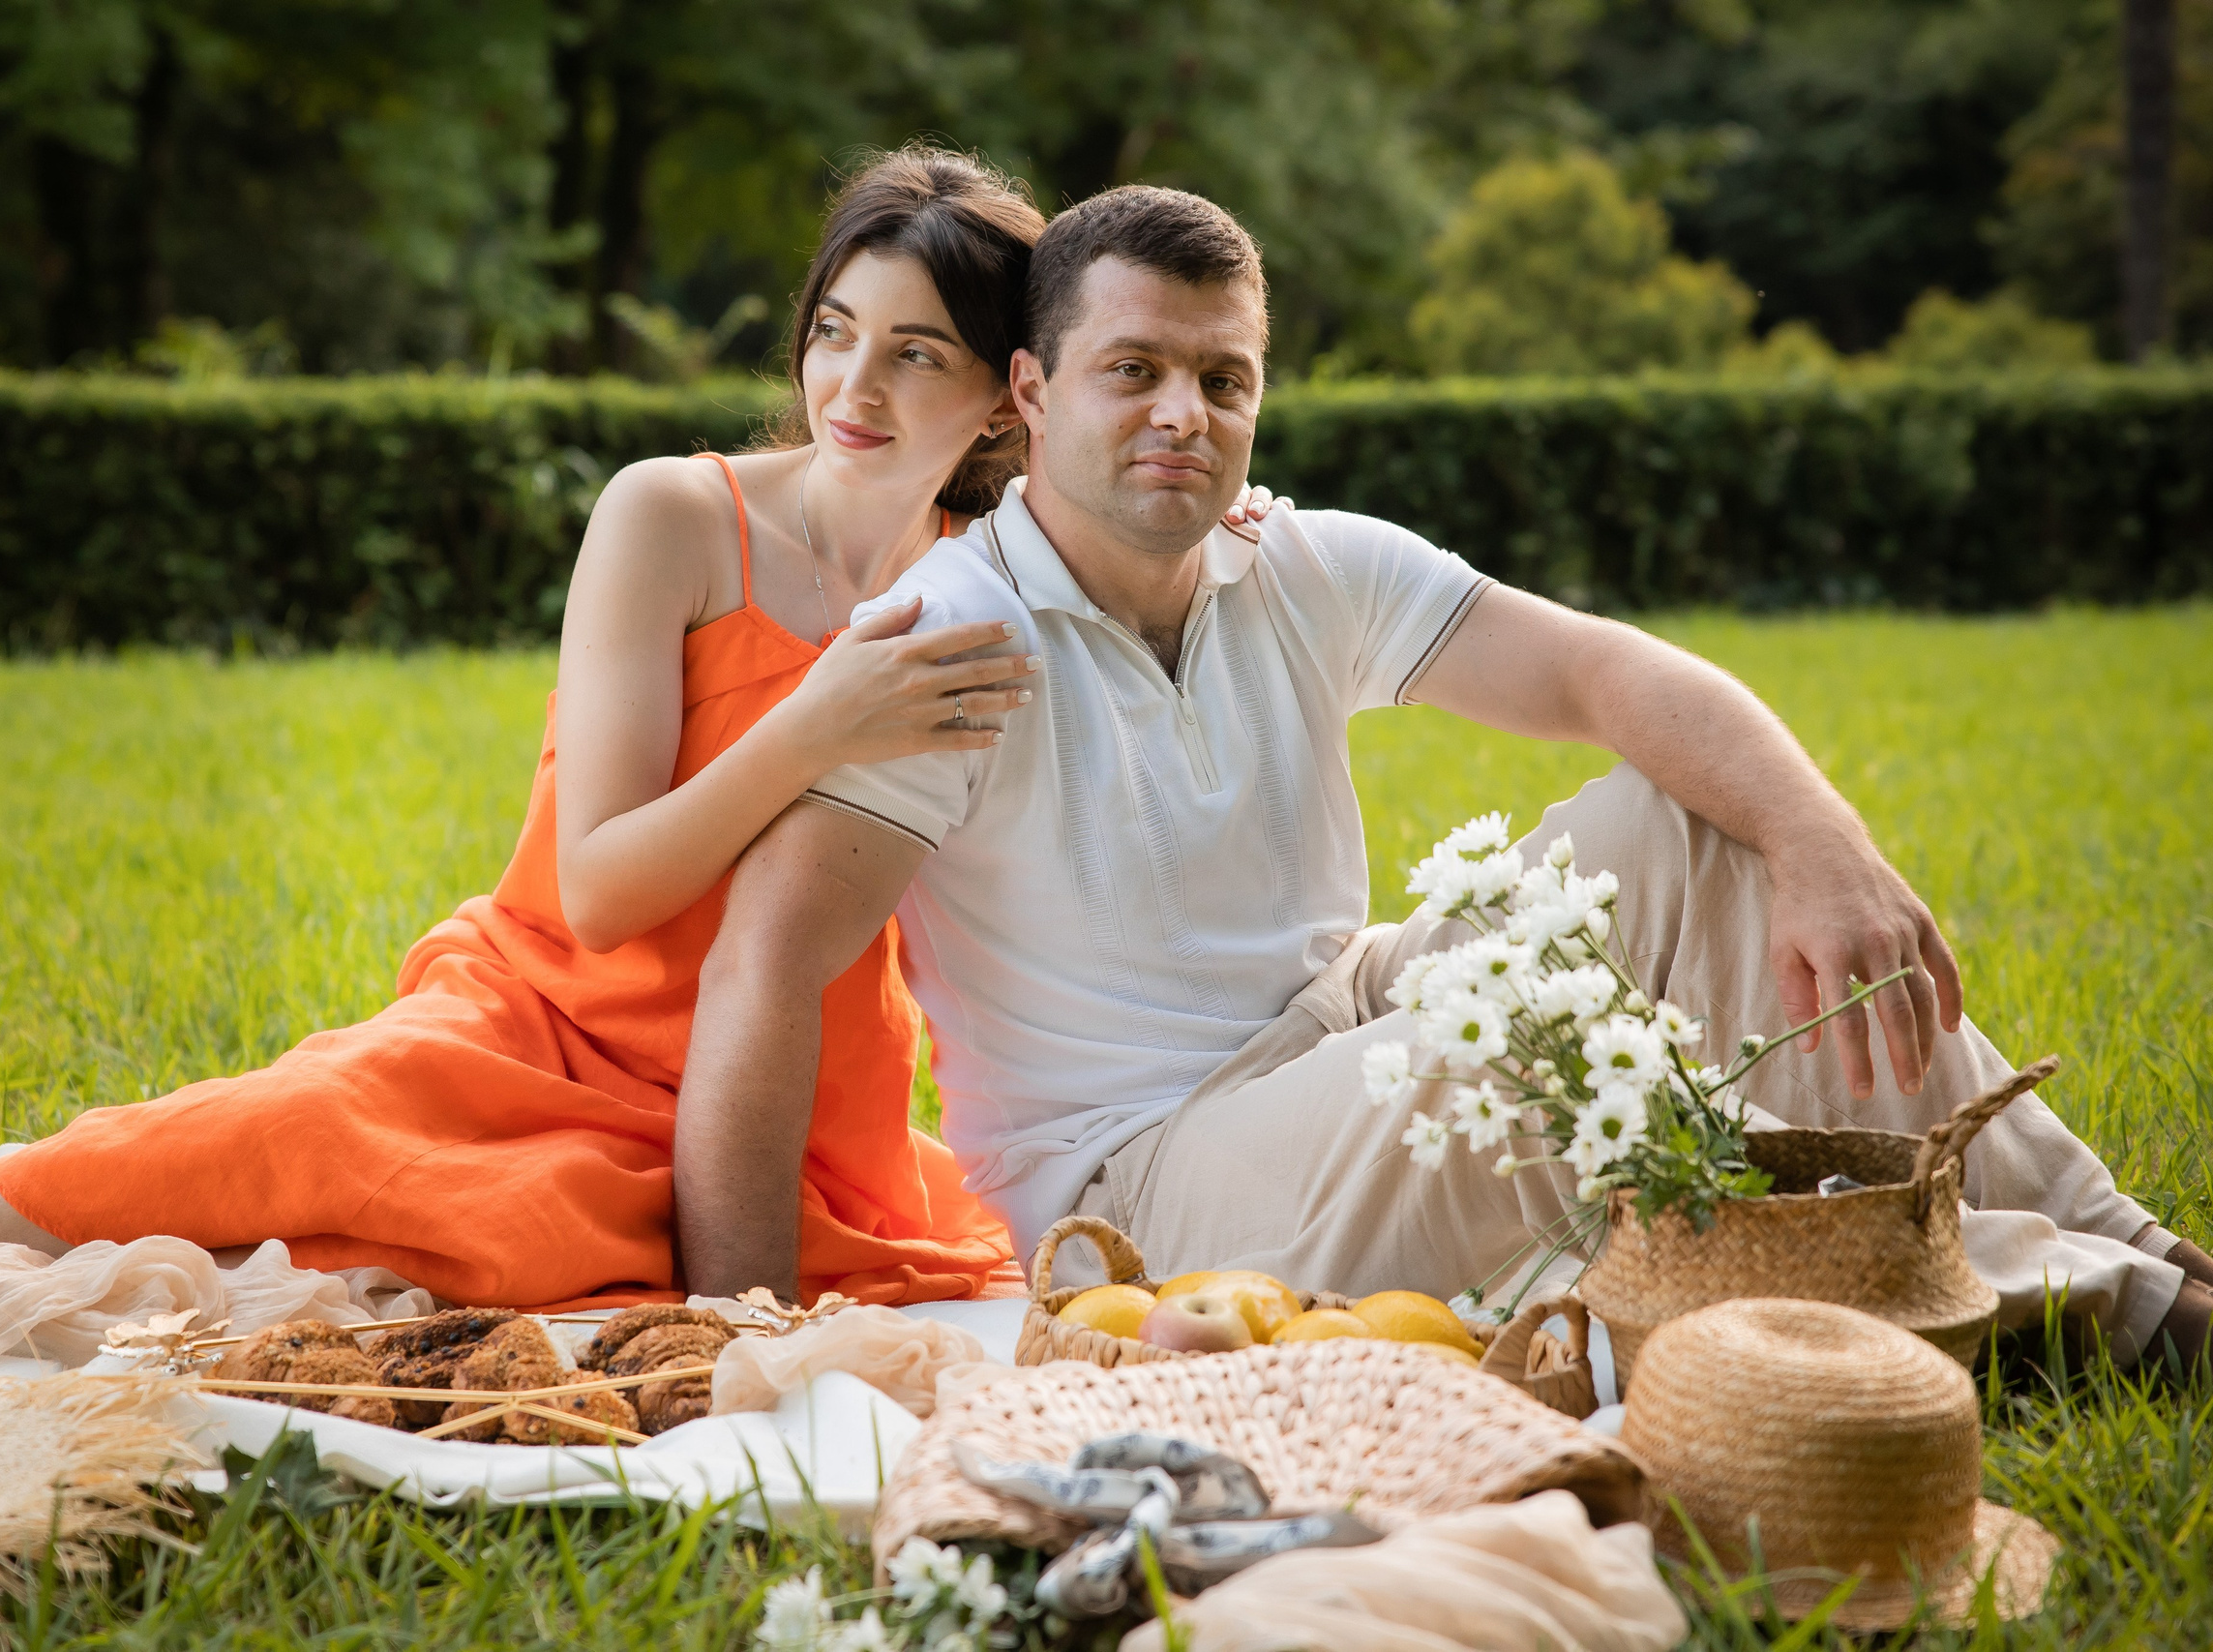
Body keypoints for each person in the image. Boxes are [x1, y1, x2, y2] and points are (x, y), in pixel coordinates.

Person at [677, 184, 2213, 1367]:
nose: (1181, 417)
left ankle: (2121, 1240)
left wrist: (1824, 842)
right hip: (1146, 1174)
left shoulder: (1299, 561)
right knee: (1550, 1048)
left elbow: (1610, 673)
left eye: (1224, 379)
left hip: (1340, 1015)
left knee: (1697, 823)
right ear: (1028, 392)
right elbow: (766, 969)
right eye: (1131, 370)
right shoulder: (954, 642)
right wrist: (750, 1338)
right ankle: (2096, 1301)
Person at [0, 149, 1281, 1312]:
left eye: (915, 351)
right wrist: (820, 719)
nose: (850, 386)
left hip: (784, 1085)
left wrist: (1213, 515)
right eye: (832, 329)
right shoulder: (674, 516)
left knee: (553, 1295)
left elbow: (1157, 509)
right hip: (547, 1013)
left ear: (1010, 396)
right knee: (237, 1146)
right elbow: (602, 890)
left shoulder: (994, 577)